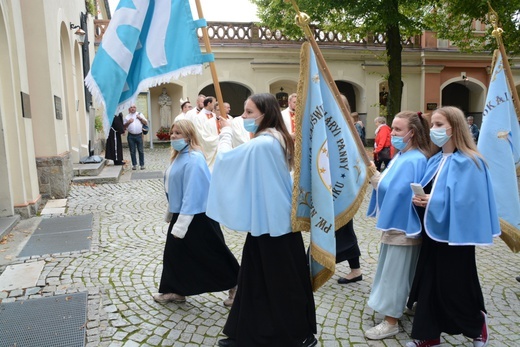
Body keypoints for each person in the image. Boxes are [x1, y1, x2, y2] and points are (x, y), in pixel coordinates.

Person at [207, 93, 317, 347]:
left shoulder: (264, 144)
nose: (243, 117)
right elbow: (246, 152)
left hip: (272, 224)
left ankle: (295, 335)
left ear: (265, 115)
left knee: (279, 283)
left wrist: (224, 135)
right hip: (271, 221)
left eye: (248, 113)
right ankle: (247, 331)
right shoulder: (277, 138)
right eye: (243, 112)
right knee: (257, 280)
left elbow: (226, 161)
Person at [406, 106, 500, 347]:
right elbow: (430, 190)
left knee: (455, 284)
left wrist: (433, 201)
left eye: (439, 125)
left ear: (454, 127)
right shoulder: (435, 160)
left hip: (457, 237)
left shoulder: (471, 162)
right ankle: (429, 335)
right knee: (429, 284)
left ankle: (477, 325)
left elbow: (469, 202)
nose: (434, 130)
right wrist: (420, 199)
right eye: (433, 125)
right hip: (433, 233)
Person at [153, 120, 239, 306]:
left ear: (189, 136)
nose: (173, 136)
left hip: (197, 217)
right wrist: (172, 214)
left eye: (178, 133)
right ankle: (176, 290)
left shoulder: (194, 159)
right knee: (174, 254)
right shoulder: (179, 156)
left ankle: (237, 284)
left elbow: (192, 193)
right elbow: (175, 187)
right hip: (182, 213)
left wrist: (181, 224)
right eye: (173, 132)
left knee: (212, 254)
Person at [364, 111, 431, 340]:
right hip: (397, 224)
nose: (392, 133)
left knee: (396, 273)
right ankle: (395, 308)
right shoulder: (404, 155)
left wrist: (373, 177)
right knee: (392, 270)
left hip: (404, 226)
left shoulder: (415, 159)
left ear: (412, 133)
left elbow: (397, 190)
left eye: (398, 129)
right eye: (392, 128)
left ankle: (391, 322)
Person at [124, 105, 148, 170]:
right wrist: (128, 122)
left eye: (134, 107)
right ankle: (134, 164)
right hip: (131, 136)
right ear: (129, 109)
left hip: (139, 135)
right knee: (132, 151)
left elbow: (146, 123)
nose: (132, 108)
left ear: (136, 108)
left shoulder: (139, 114)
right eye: (131, 107)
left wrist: (140, 118)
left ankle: (142, 165)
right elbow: (124, 127)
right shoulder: (127, 116)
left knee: (141, 150)